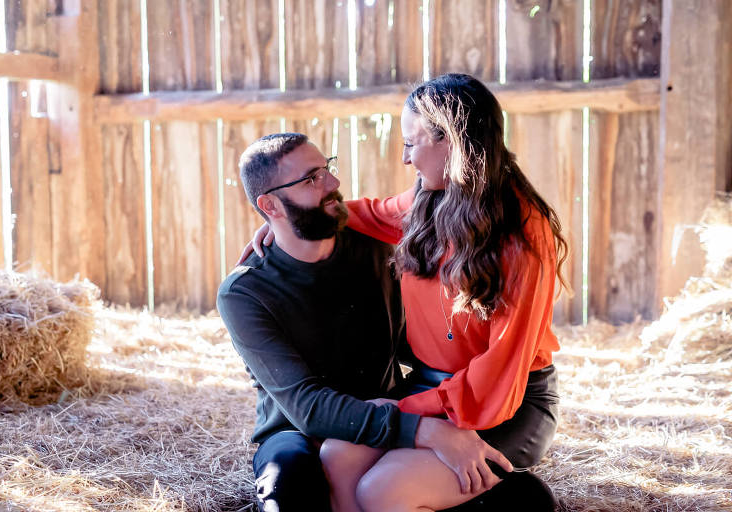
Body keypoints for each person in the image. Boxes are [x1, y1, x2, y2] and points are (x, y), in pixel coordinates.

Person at [242, 73, 566, 511]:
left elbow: (498, 379)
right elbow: (367, 213)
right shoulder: (429, 202)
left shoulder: (524, 235)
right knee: (337, 455)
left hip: (508, 401)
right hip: (436, 388)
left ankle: (504, 491)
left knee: (385, 488)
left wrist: (413, 411)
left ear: (450, 142)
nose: (406, 159)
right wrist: (281, 219)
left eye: (411, 143)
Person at [217, 132, 513, 512]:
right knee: (288, 487)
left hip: (390, 409)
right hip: (298, 430)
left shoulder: (379, 249)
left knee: (515, 497)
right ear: (270, 205)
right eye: (312, 179)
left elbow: (425, 340)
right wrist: (423, 431)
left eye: (327, 169)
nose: (334, 184)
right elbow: (307, 407)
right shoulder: (244, 292)